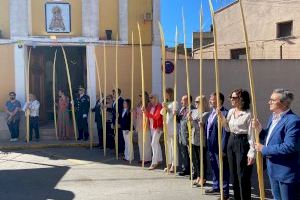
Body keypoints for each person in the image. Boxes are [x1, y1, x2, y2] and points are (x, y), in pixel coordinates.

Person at [253, 89, 300, 200]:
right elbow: (271, 139)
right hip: (273, 169)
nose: (269, 102)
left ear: (283, 103)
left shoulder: (293, 121)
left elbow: (290, 146)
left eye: (272, 100)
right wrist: (260, 130)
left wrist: (263, 149)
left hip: (286, 172)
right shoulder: (272, 118)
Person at [219, 89, 255, 200]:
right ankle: (236, 197)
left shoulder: (248, 114)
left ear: (242, 99)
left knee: (242, 175)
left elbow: (251, 134)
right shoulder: (231, 111)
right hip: (231, 141)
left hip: (242, 143)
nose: (231, 99)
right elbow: (227, 128)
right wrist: (221, 117)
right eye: (231, 97)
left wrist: (252, 152)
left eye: (234, 97)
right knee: (233, 174)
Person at [205, 93, 230, 200]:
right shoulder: (212, 113)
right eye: (210, 99)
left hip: (219, 146)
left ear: (219, 101)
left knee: (222, 168)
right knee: (214, 166)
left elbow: (225, 132)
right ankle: (216, 186)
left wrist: (223, 148)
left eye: (212, 99)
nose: (210, 101)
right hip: (211, 145)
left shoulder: (224, 113)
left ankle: (224, 191)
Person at [189, 95, 210, 187]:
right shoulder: (194, 111)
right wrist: (190, 119)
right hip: (194, 138)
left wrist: (192, 120)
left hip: (201, 139)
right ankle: (198, 176)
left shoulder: (206, 113)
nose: (195, 103)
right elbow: (192, 124)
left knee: (202, 160)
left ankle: (203, 177)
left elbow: (199, 127)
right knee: (195, 159)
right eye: (195, 101)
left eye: (198, 102)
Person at [142, 94, 163, 170]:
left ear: (156, 98)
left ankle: (154, 162)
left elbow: (156, 117)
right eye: (150, 98)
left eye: (152, 98)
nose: (150, 99)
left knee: (153, 143)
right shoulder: (151, 107)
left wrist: (146, 113)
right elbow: (148, 115)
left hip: (158, 128)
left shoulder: (159, 106)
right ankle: (159, 159)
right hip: (152, 127)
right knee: (156, 143)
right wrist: (145, 111)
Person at [161, 88, 178, 173]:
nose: (165, 95)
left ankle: (174, 165)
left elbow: (173, 115)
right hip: (166, 127)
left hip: (172, 127)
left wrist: (167, 108)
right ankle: (168, 163)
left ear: (170, 94)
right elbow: (162, 113)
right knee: (167, 147)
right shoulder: (165, 102)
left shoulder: (175, 103)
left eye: (166, 93)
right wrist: (164, 107)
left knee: (173, 147)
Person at [177, 95, 195, 176]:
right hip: (181, 134)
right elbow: (179, 120)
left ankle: (194, 171)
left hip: (189, 134)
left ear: (188, 101)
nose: (181, 102)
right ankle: (185, 168)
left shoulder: (193, 109)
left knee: (191, 153)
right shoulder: (182, 109)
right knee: (183, 152)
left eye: (183, 100)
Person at [134, 92, 152, 164]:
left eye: (142, 96)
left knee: (146, 142)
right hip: (139, 124)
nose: (141, 97)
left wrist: (144, 111)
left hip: (146, 124)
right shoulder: (139, 104)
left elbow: (149, 114)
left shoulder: (148, 104)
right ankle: (142, 157)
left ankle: (147, 158)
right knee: (140, 142)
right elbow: (136, 113)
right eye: (140, 96)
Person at [112, 88, 125, 154]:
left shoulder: (121, 100)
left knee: (120, 136)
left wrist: (119, 122)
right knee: (116, 135)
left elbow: (122, 111)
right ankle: (118, 149)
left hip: (119, 121)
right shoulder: (115, 100)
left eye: (114, 93)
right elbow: (114, 111)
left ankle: (121, 150)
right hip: (115, 120)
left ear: (118, 93)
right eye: (113, 93)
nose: (113, 94)